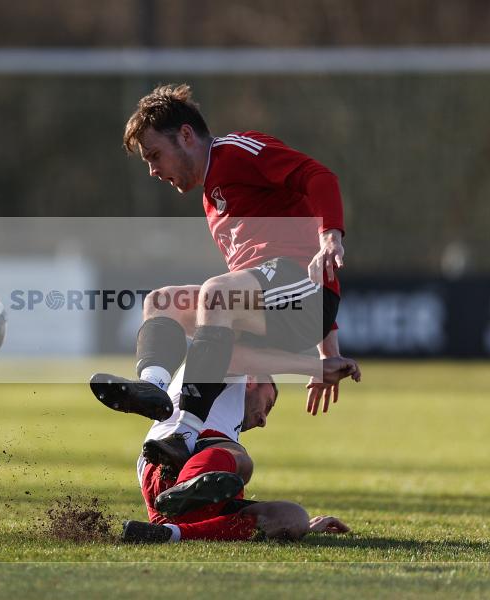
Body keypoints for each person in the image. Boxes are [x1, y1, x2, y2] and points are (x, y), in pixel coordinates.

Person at [91, 82, 350, 443]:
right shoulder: (211, 201)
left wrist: (331, 234)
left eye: (154, 156)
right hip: (277, 303)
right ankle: (152, 389)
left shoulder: (235, 152)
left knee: (217, 293)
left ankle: (185, 432)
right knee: (161, 302)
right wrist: (323, 361)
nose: (152, 171)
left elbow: (319, 176)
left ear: (185, 136)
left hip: (306, 293)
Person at [115, 368, 350, 543]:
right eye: (268, 404)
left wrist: (309, 527)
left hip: (183, 500)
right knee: (243, 463)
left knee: (294, 516)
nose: (263, 421)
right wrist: (320, 363)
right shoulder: (231, 370)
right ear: (251, 380)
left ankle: (168, 533)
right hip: (168, 460)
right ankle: (185, 487)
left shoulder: (229, 428)